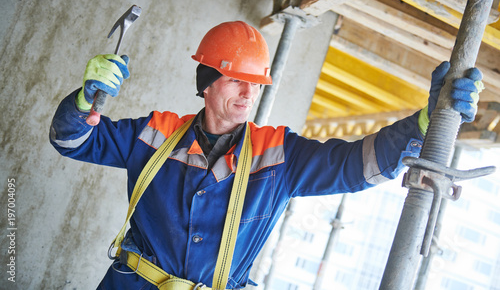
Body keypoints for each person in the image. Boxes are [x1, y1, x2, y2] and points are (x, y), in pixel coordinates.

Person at [50, 21, 483, 289]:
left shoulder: (278, 155)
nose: (248, 94)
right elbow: (71, 141)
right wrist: (85, 103)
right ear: (206, 82)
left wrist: (424, 124)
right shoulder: (155, 134)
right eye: (237, 80)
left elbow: (357, 166)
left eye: (255, 84)